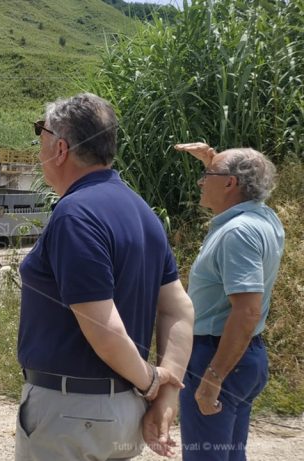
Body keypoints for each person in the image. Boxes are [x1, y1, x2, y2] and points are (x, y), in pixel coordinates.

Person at [16, 93, 194, 460]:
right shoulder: (142, 212)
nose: (38, 150)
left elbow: (104, 328)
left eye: (41, 134)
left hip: (71, 413)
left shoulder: (75, 214)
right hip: (121, 414)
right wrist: (165, 392)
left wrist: (152, 382)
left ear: (61, 149)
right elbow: (178, 309)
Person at [174, 142, 284, 461]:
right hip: (242, 357)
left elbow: (247, 311)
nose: (199, 181)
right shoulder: (263, 217)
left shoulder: (238, 233)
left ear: (230, 183)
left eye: (206, 174)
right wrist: (214, 162)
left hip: (218, 356)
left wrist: (213, 378)